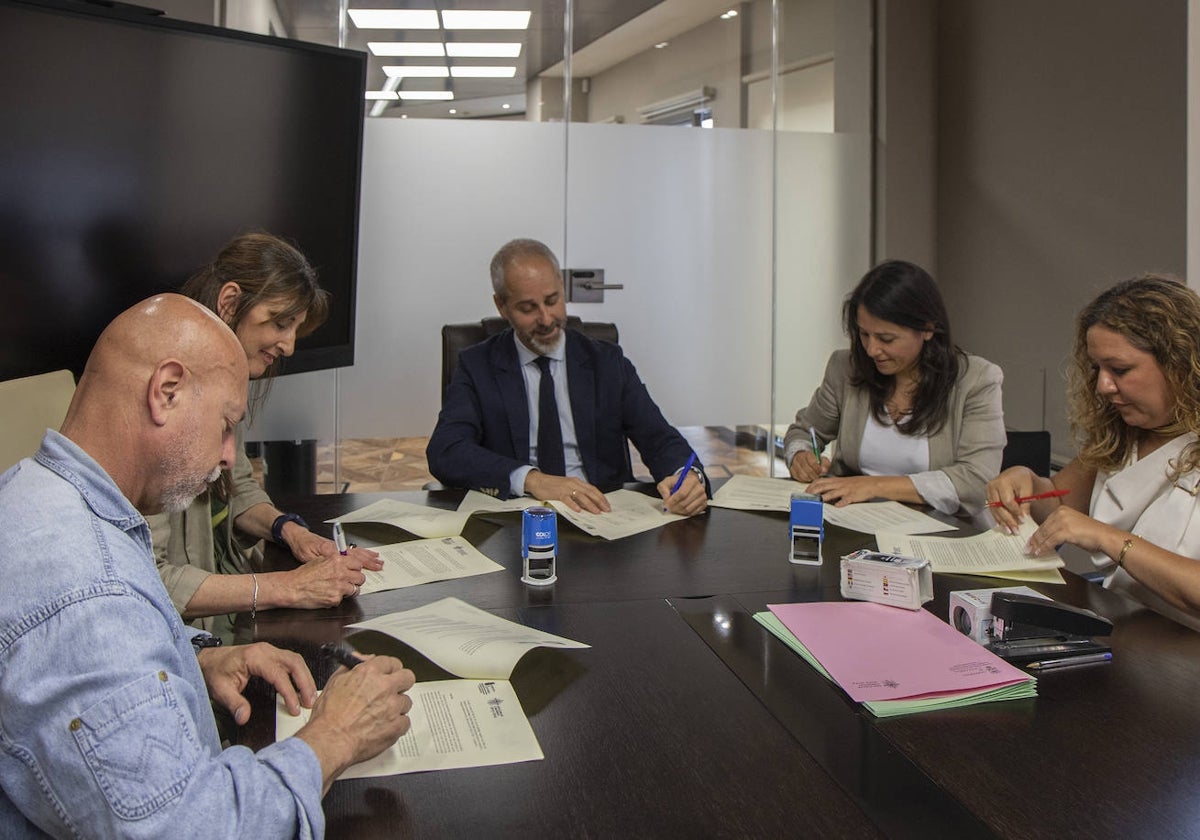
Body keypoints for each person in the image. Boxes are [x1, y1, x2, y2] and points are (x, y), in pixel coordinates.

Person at [0, 294, 414, 837]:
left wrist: (193, 661)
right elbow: (188, 827)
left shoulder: (33, 490)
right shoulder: (88, 597)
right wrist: (335, 737)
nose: (227, 456)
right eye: (224, 425)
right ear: (166, 392)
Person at [146, 233, 382, 634]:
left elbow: (234, 489)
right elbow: (151, 581)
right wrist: (287, 587)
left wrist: (288, 531)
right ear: (231, 302)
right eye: (279, 323)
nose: (289, 346)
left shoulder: (219, 381)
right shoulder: (167, 399)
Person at [426, 238, 708, 516]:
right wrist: (533, 480)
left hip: (605, 517)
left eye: (552, 300)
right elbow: (446, 451)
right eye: (528, 308)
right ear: (502, 307)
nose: (546, 319)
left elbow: (660, 439)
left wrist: (687, 476)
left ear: (562, 289)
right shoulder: (478, 365)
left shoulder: (607, 362)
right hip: (519, 518)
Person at [988, 274, 1200, 631]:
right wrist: (1027, 481)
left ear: (1179, 363)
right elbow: (1058, 510)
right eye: (1097, 369)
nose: (1103, 385)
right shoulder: (1122, 435)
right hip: (1129, 628)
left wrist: (1108, 538)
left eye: (1120, 370)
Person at [783, 260, 1005, 517]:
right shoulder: (845, 368)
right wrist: (799, 454)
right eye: (864, 334)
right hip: (851, 526)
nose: (871, 350)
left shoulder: (977, 380)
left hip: (941, 534)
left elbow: (977, 481)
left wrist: (873, 486)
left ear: (928, 329)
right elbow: (803, 431)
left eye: (886, 339)